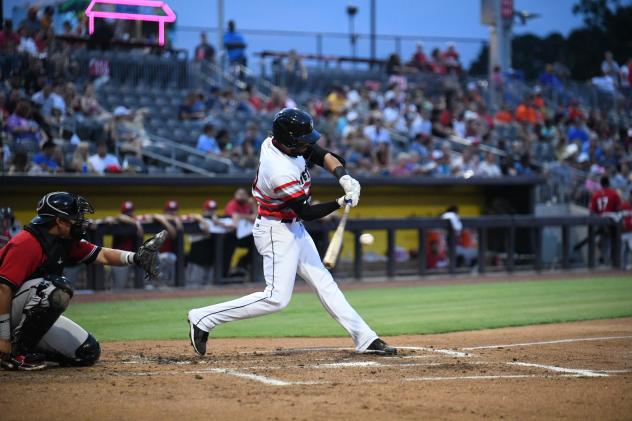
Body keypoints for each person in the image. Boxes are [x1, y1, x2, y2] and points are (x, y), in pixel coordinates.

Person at [188, 108, 396, 356]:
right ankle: (203, 318)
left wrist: (344, 177)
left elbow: (321, 154)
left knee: (324, 283)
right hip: (276, 232)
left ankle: (365, 338)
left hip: (293, 227)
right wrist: (340, 202)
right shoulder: (278, 169)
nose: (306, 145)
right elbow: (307, 212)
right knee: (276, 298)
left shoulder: (278, 143)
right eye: (301, 141)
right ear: (288, 142)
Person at [0, 192, 165, 370]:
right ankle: (15, 354)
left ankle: (27, 348)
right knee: (56, 287)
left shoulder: (63, 239)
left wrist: (136, 258)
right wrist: (3, 338)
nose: (80, 222)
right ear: (59, 221)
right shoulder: (26, 243)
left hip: (19, 313)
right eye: (75, 218)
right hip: (4, 312)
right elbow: (3, 288)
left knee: (87, 352)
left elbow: (102, 254)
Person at [186, 200, 234, 286]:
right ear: (204, 210)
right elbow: (187, 217)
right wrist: (202, 220)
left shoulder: (219, 221)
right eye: (209, 209)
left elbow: (233, 226)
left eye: (213, 209)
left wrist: (218, 222)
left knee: (209, 287)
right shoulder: (197, 220)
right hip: (197, 261)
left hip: (211, 262)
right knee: (193, 285)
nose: (211, 212)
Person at [108, 201, 144, 289]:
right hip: (119, 260)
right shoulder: (119, 220)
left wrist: (136, 222)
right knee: (119, 288)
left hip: (133, 259)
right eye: (126, 212)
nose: (129, 214)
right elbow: (119, 217)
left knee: (137, 288)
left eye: (130, 211)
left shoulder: (137, 219)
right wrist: (135, 222)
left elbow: (154, 216)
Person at [589, 176, 622, 264]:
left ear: (601, 184)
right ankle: (609, 259)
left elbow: (592, 211)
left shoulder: (596, 194)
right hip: (611, 221)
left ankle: (605, 257)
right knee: (612, 240)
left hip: (600, 220)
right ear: (608, 183)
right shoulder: (614, 193)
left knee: (603, 240)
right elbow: (618, 208)